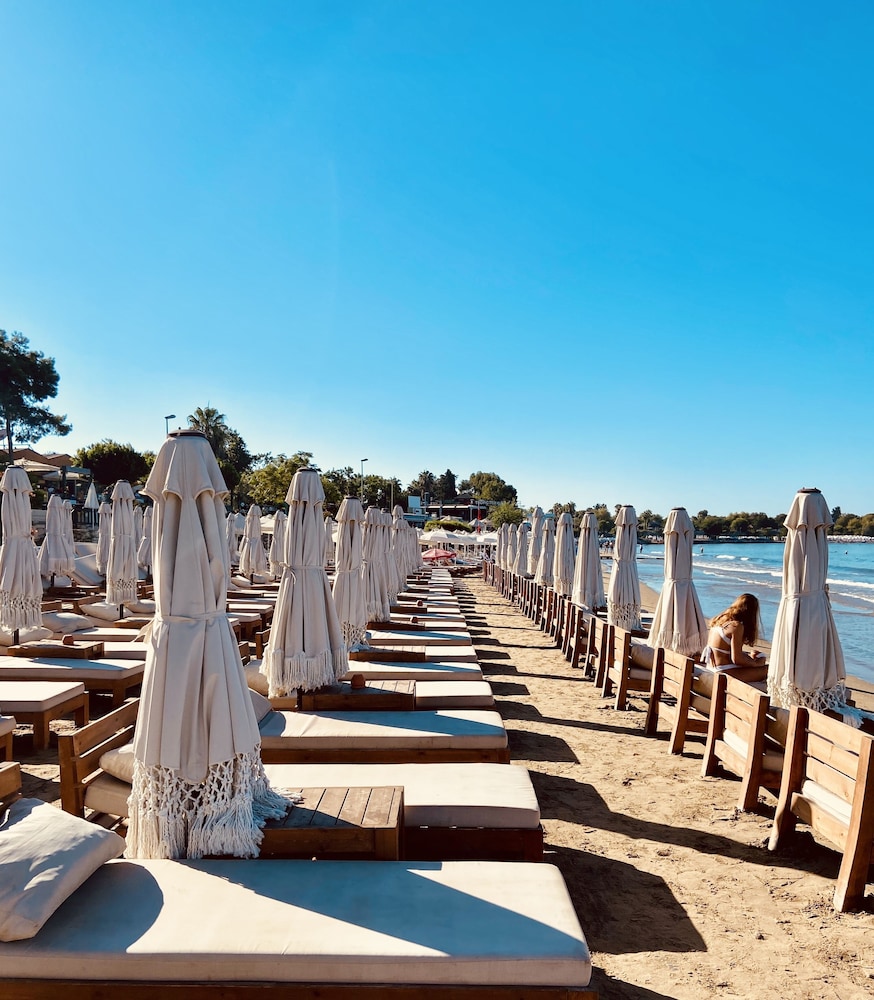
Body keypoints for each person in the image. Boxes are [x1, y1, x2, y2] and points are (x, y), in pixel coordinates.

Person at [701, 593, 767, 670]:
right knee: (767, 670)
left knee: (759, 661)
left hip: (711, 666)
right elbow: (737, 659)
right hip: (722, 669)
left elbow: (728, 652)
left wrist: (748, 656)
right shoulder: (736, 626)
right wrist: (756, 664)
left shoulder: (720, 620)